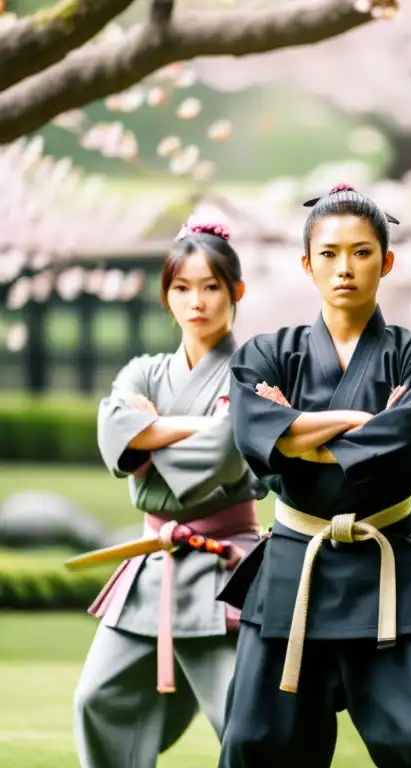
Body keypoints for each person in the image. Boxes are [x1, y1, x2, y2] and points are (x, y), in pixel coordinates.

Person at [215, 183, 411, 768]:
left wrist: (297, 429)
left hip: (389, 565)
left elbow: (400, 446)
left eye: (362, 252)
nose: (345, 268)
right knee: (253, 745)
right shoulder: (264, 355)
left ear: (386, 262)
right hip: (295, 567)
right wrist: (364, 421)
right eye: (331, 253)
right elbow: (253, 437)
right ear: (307, 263)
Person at [74, 221, 266, 768]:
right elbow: (113, 431)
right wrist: (194, 426)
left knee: (242, 719)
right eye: (181, 288)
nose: (196, 301)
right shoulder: (143, 370)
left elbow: (225, 454)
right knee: (98, 697)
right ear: (167, 296)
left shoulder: (253, 374)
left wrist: (153, 432)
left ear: (236, 292)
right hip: (150, 569)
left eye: (210, 287)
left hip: (224, 567)